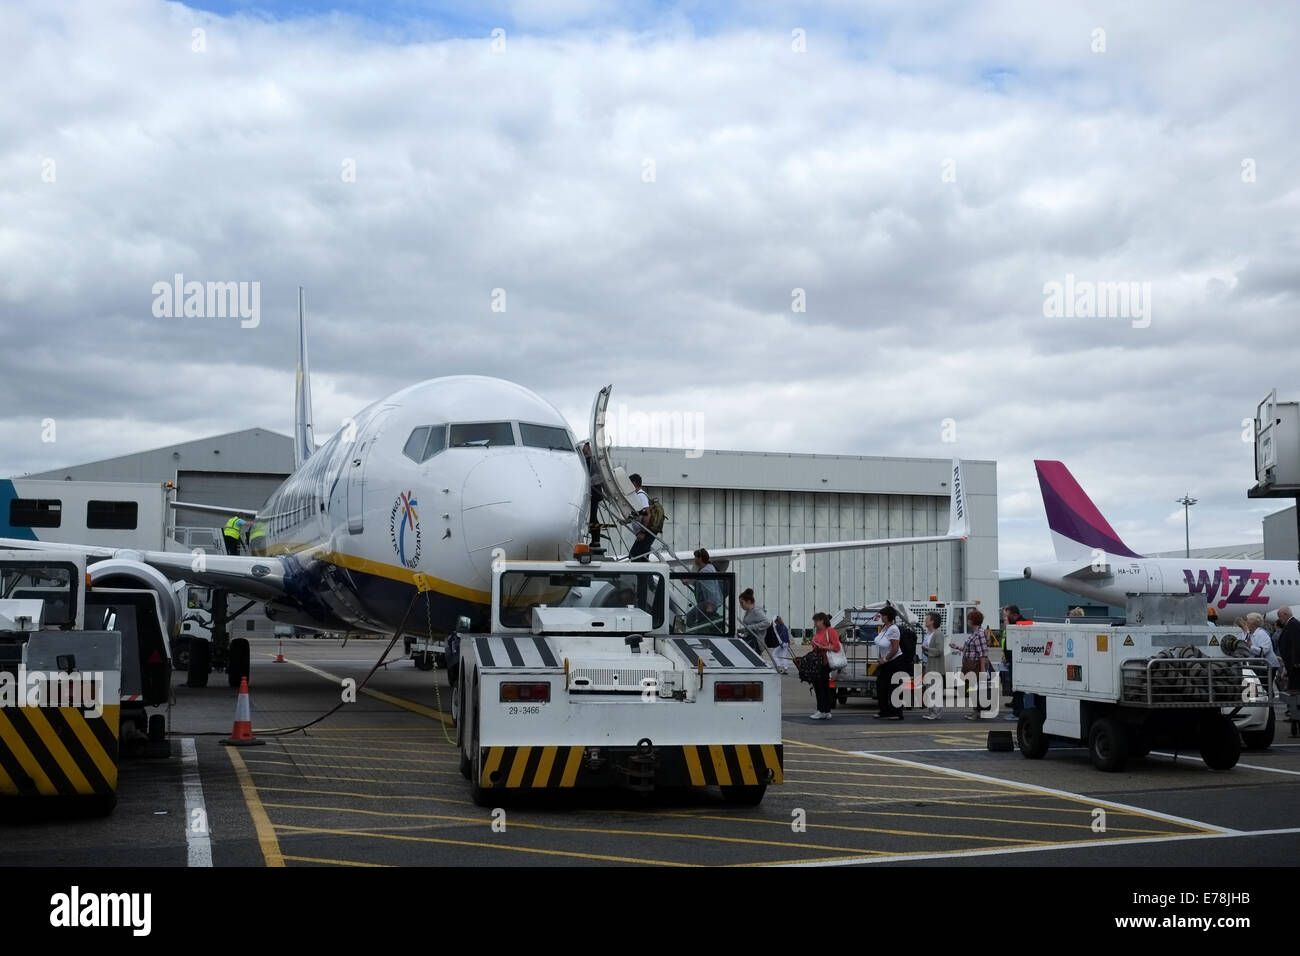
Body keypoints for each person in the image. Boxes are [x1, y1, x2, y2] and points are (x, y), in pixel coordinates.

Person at [952, 608, 991, 719]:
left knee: (976, 689)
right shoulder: (975, 633)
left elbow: (983, 652)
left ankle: (978, 712)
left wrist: (983, 669)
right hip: (971, 665)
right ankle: (975, 710)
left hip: (976, 666)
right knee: (973, 688)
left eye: (969, 619)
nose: (967, 621)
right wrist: (957, 647)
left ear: (973, 621)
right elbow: (970, 649)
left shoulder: (979, 633)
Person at [806, 611, 840, 719]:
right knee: (821, 687)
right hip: (817, 663)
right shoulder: (818, 632)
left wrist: (821, 647)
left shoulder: (830, 630)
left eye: (816, 621)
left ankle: (822, 710)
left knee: (821, 687)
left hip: (825, 663)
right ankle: (825, 710)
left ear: (822, 620)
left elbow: (836, 647)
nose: (815, 623)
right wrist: (815, 646)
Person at [873, 605, 904, 720]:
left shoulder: (894, 629)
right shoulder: (884, 628)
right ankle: (884, 711)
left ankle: (897, 713)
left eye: (883, 615)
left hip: (894, 661)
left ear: (888, 616)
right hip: (885, 662)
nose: (881, 617)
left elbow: (895, 648)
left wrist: (885, 659)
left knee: (894, 686)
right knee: (881, 686)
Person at [1275, 606, 1300, 736]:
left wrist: (1295, 663)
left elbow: (1296, 645)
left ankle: (1296, 724)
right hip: (1291, 667)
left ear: (1285, 614)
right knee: (1294, 696)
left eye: (1280, 616)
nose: (1280, 619)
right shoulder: (1291, 625)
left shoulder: (1293, 625)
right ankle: (1295, 723)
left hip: (1295, 669)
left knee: (1295, 696)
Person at [737, 588, 774, 661]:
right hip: (751, 640)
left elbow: (767, 622)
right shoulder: (748, 611)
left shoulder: (756, 611)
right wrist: (743, 630)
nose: (741, 605)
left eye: (742, 603)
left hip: (756, 642)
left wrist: (749, 627)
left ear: (748, 602)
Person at [1001, 605, 1024, 720]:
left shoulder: (1021, 624)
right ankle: (1017, 708)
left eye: (1007, 616)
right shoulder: (1014, 624)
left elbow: (1014, 640)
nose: (1005, 619)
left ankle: (1018, 712)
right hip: (1011, 659)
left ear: (1015, 615)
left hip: (1018, 661)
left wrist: (1008, 626)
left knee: (1018, 687)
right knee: (1014, 687)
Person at [921, 610, 945, 720]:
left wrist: (926, 649)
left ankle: (936, 713)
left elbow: (939, 650)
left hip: (935, 666)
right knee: (929, 689)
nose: (925, 620)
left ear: (932, 621)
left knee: (935, 690)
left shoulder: (938, 634)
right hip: (928, 664)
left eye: (927, 618)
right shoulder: (929, 634)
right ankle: (931, 712)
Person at [581, 441, 604, 546]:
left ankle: (596, 540)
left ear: (588, 446)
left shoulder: (593, 459)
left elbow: (594, 476)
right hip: (594, 490)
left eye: (585, 447)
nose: (583, 449)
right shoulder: (592, 458)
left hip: (595, 490)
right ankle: (595, 540)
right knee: (593, 516)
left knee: (593, 517)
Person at [627, 474, 653, 561]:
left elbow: (647, 514)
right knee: (640, 558)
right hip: (644, 533)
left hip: (645, 534)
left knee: (635, 557)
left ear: (634, 483)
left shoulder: (641, 496)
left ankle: (645, 575)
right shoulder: (638, 495)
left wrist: (642, 532)